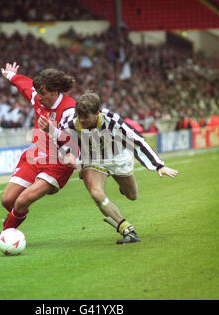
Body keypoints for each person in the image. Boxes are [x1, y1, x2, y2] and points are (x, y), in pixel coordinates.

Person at [40, 92, 179, 244]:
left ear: (97, 113)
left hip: (116, 158)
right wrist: (67, 153)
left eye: (86, 116)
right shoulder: (71, 121)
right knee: (96, 193)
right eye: (80, 115)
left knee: (132, 195)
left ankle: (123, 187)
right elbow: (60, 138)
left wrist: (158, 165)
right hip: (93, 160)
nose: (82, 120)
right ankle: (127, 229)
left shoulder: (112, 121)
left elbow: (137, 140)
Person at [0, 62, 76, 247]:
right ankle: (17, 217)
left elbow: (71, 141)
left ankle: (5, 238)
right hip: (36, 155)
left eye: (43, 94)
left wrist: (54, 131)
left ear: (55, 91)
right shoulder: (38, 96)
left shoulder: (69, 110)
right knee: (8, 200)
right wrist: (10, 75)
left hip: (58, 161)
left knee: (22, 200)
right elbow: (24, 85)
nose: (38, 97)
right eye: (37, 93)